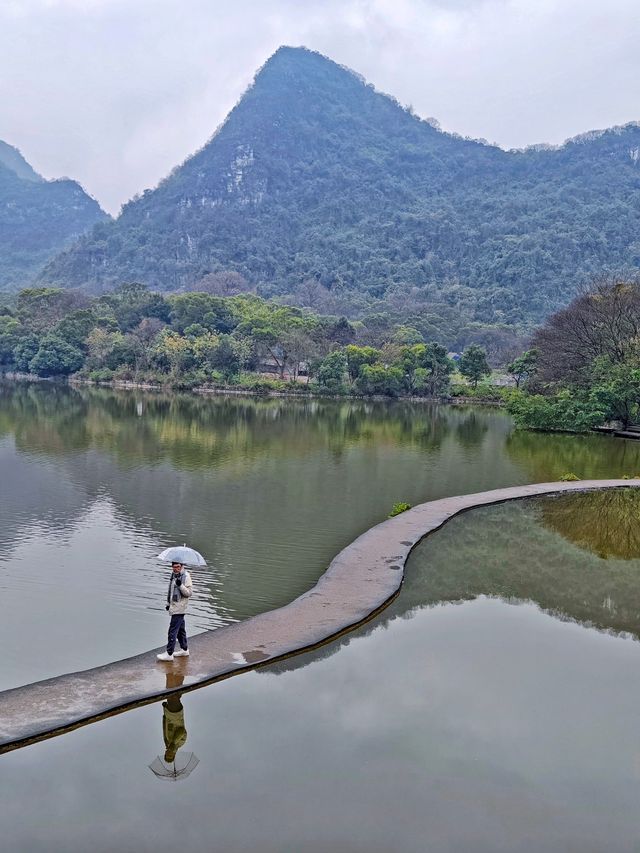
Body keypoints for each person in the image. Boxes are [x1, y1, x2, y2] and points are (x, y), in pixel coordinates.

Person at [157, 561, 193, 661]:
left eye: (177, 567)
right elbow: (171, 591)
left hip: (180, 608)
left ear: (182, 566)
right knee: (180, 630)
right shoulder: (173, 575)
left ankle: (169, 654)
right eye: (174, 567)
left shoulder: (186, 576)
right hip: (174, 606)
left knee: (172, 631)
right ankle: (184, 649)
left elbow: (189, 593)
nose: (175, 569)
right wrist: (168, 604)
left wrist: (180, 585)